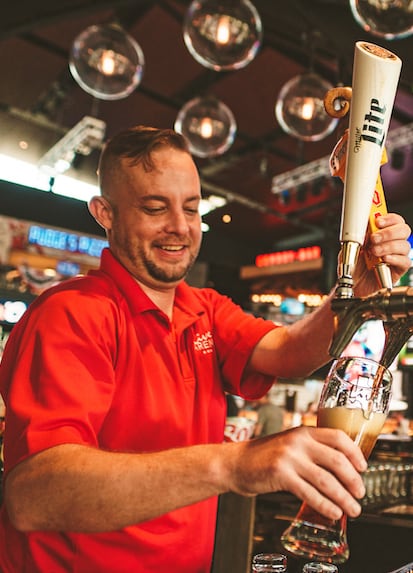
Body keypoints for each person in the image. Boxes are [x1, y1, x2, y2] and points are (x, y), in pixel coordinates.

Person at [0, 126, 410, 573]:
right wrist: (236, 463)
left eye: (191, 208)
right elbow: (34, 496)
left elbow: (290, 351)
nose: (179, 226)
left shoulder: (204, 309)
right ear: (106, 213)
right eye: (155, 207)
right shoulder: (71, 314)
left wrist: (358, 288)